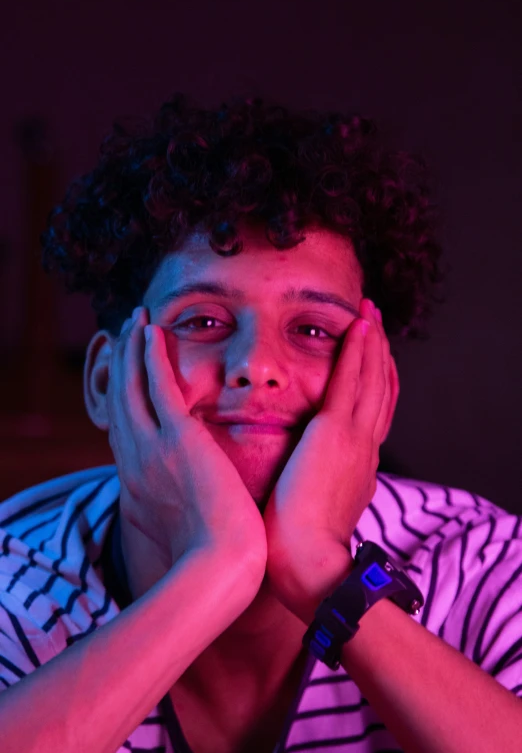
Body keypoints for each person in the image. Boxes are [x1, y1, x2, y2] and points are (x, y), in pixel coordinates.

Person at [0, 93, 520, 753]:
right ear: (106, 381)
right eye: (203, 321)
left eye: (311, 329)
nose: (255, 366)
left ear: (379, 386)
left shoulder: (482, 564)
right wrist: (217, 569)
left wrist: (321, 572)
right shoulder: (14, 583)